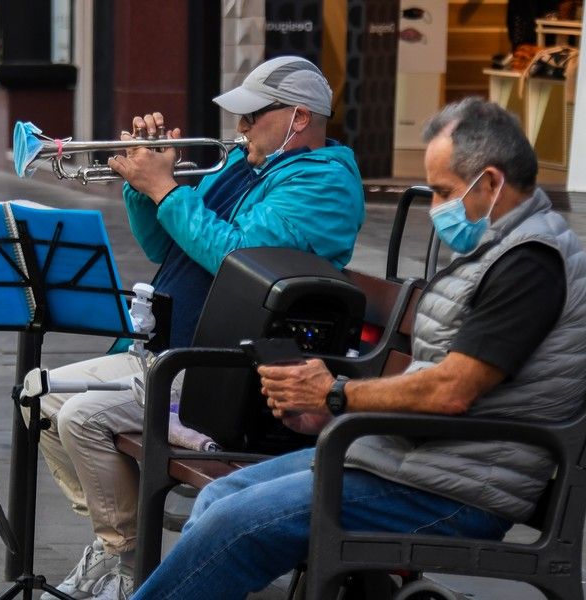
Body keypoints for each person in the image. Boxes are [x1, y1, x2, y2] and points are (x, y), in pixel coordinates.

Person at [130, 96, 586, 600]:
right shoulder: (501, 249)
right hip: (409, 459)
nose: (437, 208)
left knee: (234, 521)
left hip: (451, 490)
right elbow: (437, 377)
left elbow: (452, 391)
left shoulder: (530, 263)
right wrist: (329, 413)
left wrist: (337, 397)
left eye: (444, 191)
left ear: (489, 182)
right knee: (223, 494)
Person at [34, 55, 366, 600]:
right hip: (173, 345)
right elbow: (163, 245)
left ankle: (124, 562)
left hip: (226, 367)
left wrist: (167, 189)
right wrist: (141, 186)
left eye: (251, 116)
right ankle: (121, 547)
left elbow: (240, 260)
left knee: (83, 417)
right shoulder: (242, 165)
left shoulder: (323, 184)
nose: (239, 129)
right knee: (40, 397)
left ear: (299, 118)